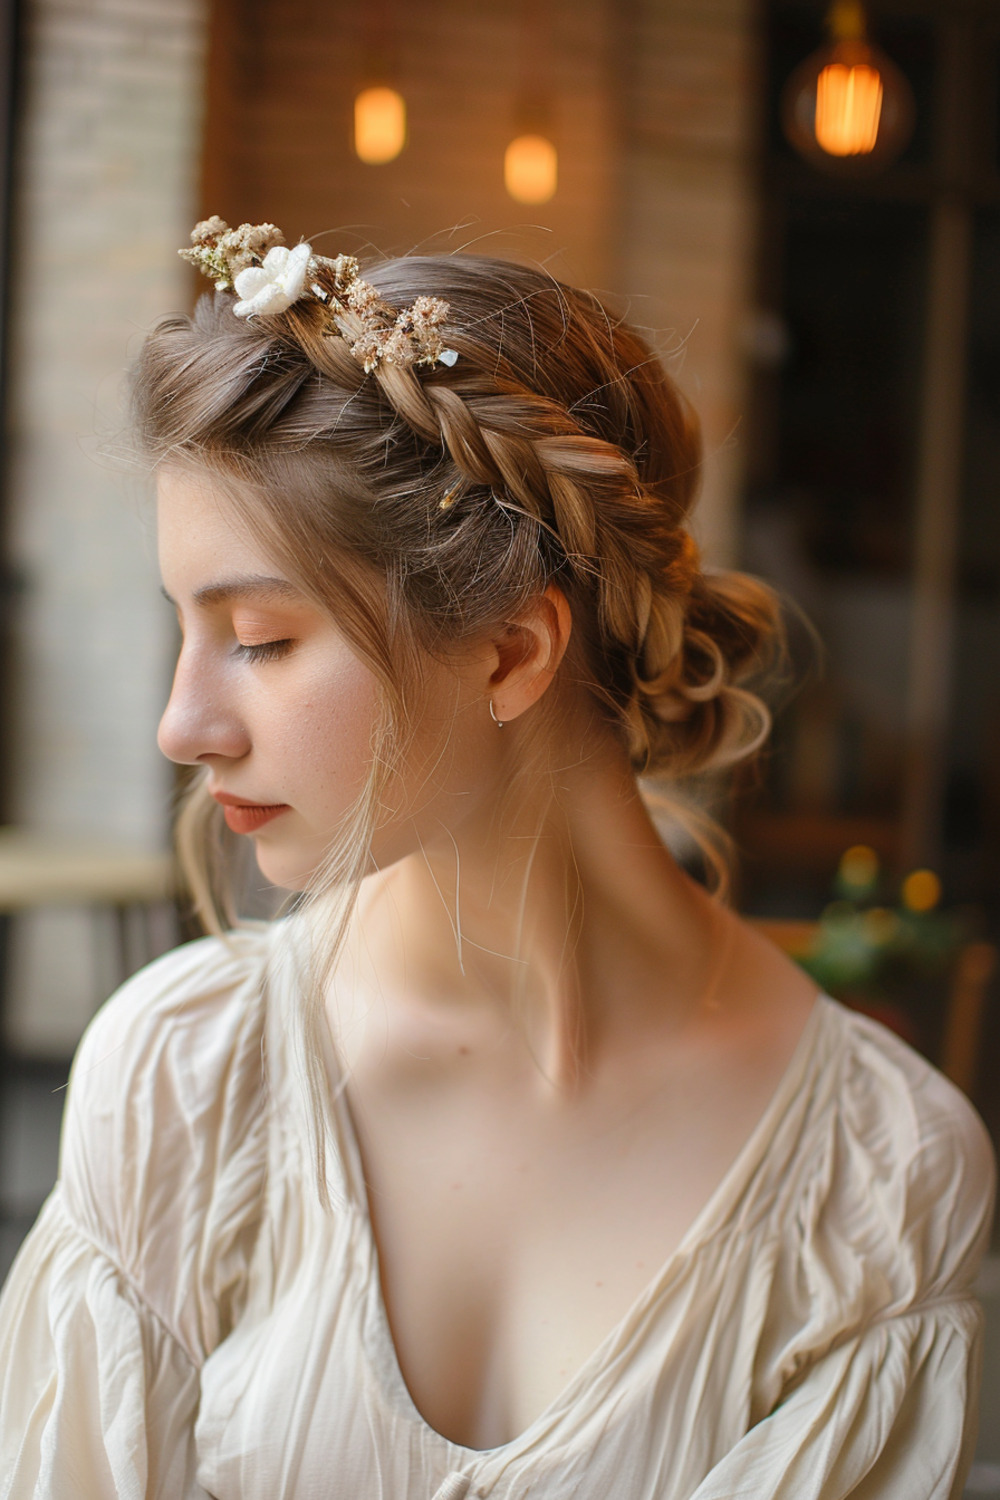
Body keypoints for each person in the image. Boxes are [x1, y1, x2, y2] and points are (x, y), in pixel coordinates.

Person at [0, 220, 994, 1500]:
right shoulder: (189, 1088)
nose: (181, 725)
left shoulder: (872, 1181)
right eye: (185, 633)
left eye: (257, 638)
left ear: (512, 653)